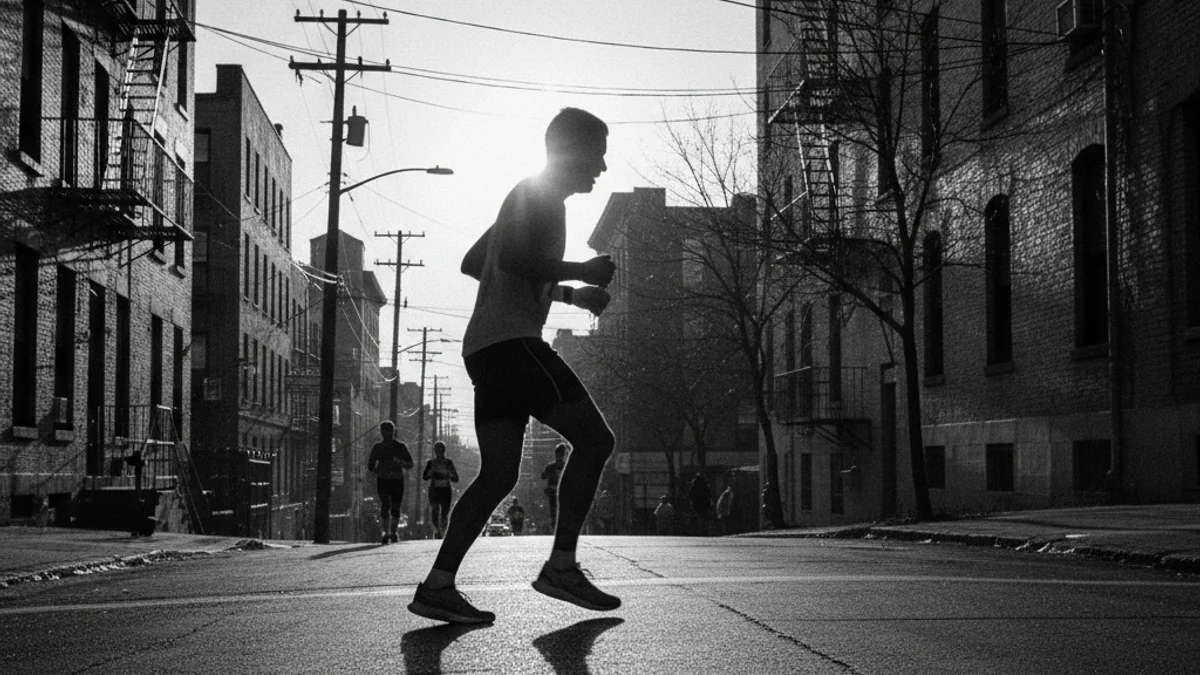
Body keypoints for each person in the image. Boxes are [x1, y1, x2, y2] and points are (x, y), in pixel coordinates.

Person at [408, 108, 619, 624]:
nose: (603, 167)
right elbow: (512, 262)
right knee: (596, 441)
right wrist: (581, 270)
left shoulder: (527, 196)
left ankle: (437, 586)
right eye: (597, 154)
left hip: (484, 348)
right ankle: (562, 567)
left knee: (498, 474)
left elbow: (476, 261)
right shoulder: (544, 196)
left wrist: (567, 292)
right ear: (570, 151)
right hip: (513, 344)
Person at [368, 421, 414, 544]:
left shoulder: (400, 447)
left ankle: (393, 532)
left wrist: (400, 463)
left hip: (397, 480)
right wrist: (379, 471)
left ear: (393, 432)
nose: (386, 434)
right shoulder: (378, 447)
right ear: (381, 432)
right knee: (385, 504)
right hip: (383, 480)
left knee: (395, 506)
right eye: (383, 431)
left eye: (388, 431)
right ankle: (385, 532)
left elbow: (410, 464)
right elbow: (370, 465)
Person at [423, 441, 460, 539]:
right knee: (435, 509)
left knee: (444, 512)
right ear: (434, 451)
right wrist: (431, 474)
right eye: (437, 451)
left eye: (441, 451)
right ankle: (437, 530)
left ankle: (442, 532)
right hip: (434, 490)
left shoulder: (448, 463)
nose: (439, 453)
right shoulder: (430, 463)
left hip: (446, 490)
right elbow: (424, 477)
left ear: (444, 451)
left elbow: (456, 478)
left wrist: (448, 475)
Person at [541, 443, 568, 530]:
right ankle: (559, 526)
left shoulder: (551, 466)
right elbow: (543, 476)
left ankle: (556, 526)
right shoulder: (566, 466)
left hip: (554, 492)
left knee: (554, 510)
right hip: (561, 491)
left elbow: (543, 476)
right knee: (561, 509)